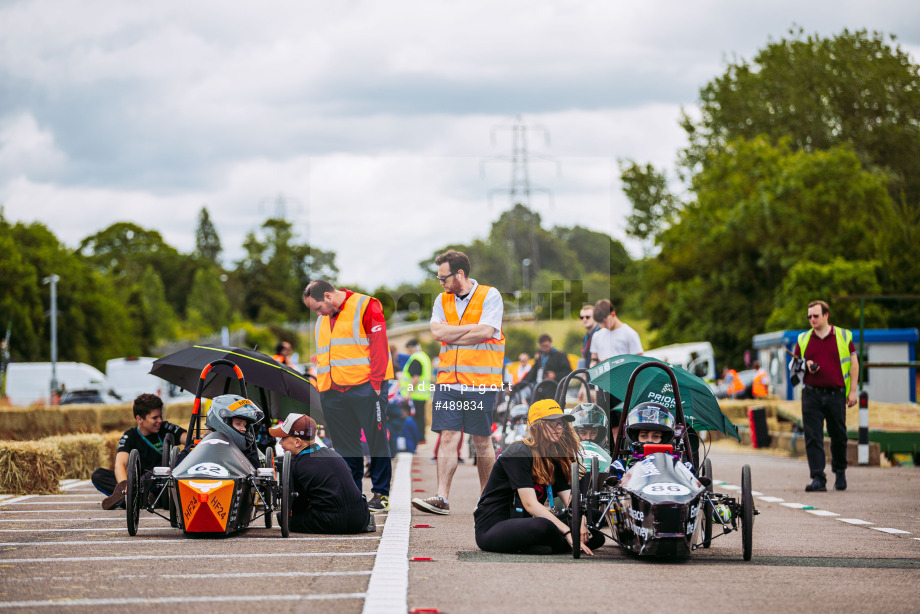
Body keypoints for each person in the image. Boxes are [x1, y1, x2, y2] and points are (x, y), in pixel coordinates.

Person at [412, 250, 504, 516]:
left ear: (460, 274)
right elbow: (437, 332)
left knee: (481, 441)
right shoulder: (442, 300)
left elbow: (487, 332)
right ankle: (442, 496)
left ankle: (486, 498)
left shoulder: (490, 295)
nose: (440, 283)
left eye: (444, 277)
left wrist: (452, 333)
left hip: (480, 382)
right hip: (448, 382)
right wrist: (469, 330)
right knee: (449, 436)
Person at [302, 279, 394, 513]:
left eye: (317, 308)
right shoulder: (323, 319)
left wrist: (376, 384)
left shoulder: (366, 306)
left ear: (328, 297)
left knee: (375, 438)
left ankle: (380, 493)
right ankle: (353, 492)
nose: (318, 314)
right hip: (332, 390)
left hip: (366, 386)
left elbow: (379, 346)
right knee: (345, 445)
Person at [474, 399, 603, 555]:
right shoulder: (518, 453)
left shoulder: (553, 455)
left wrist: (580, 520)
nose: (559, 429)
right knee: (544, 526)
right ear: (537, 426)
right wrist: (568, 532)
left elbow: (569, 499)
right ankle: (556, 544)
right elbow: (530, 505)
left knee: (594, 522)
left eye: (561, 424)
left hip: (527, 522)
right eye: (553, 423)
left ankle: (542, 547)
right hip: (494, 525)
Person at [270, 413, 375, 534]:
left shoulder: (297, 465)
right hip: (361, 518)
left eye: (283, 438)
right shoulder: (333, 454)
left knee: (282, 518)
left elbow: (298, 504)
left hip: (330, 521)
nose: (280, 443)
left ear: (298, 442)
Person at [793, 300, 858, 492]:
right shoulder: (803, 338)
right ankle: (818, 478)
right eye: (809, 316)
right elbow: (795, 365)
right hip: (811, 394)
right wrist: (807, 365)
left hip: (835, 394)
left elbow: (854, 364)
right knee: (813, 436)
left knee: (838, 435)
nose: (812, 319)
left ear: (826, 315)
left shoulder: (843, 336)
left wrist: (852, 391)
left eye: (816, 316)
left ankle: (840, 472)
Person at [92, 393, 187, 510]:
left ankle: (134, 499)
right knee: (98, 475)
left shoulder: (166, 427)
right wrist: (126, 487)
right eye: (155, 418)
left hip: (163, 480)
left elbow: (188, 439)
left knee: (157, 470)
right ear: (139, 419)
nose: (160, 420)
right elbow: (120, 464)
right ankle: (138, 498)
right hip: (139, 483)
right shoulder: (129, 436)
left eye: (160, 416)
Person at [203, 394, 264, 468]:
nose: (244, 429)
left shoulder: (249, 456)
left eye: (245, 425)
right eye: (238, 424)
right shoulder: (197, 450)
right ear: (222, 422)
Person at [589, 299, 643, 365]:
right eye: (600, 323)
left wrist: (614, 362)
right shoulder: (597, 335)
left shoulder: (630, 334)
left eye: (604, 321)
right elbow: (593, 361)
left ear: (613, 314)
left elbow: (640, 362)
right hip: (604, 375)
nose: (602, 325)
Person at [398, 338, 432, 444]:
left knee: (417, 418)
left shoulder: (416, 358)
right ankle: (421, 438)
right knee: (421, 417)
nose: (408, 352)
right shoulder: (424, 357)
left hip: (416, 394)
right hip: (423, 393)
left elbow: (415, 378)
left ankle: (419, 439)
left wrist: (408, 392)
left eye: (408, 349)